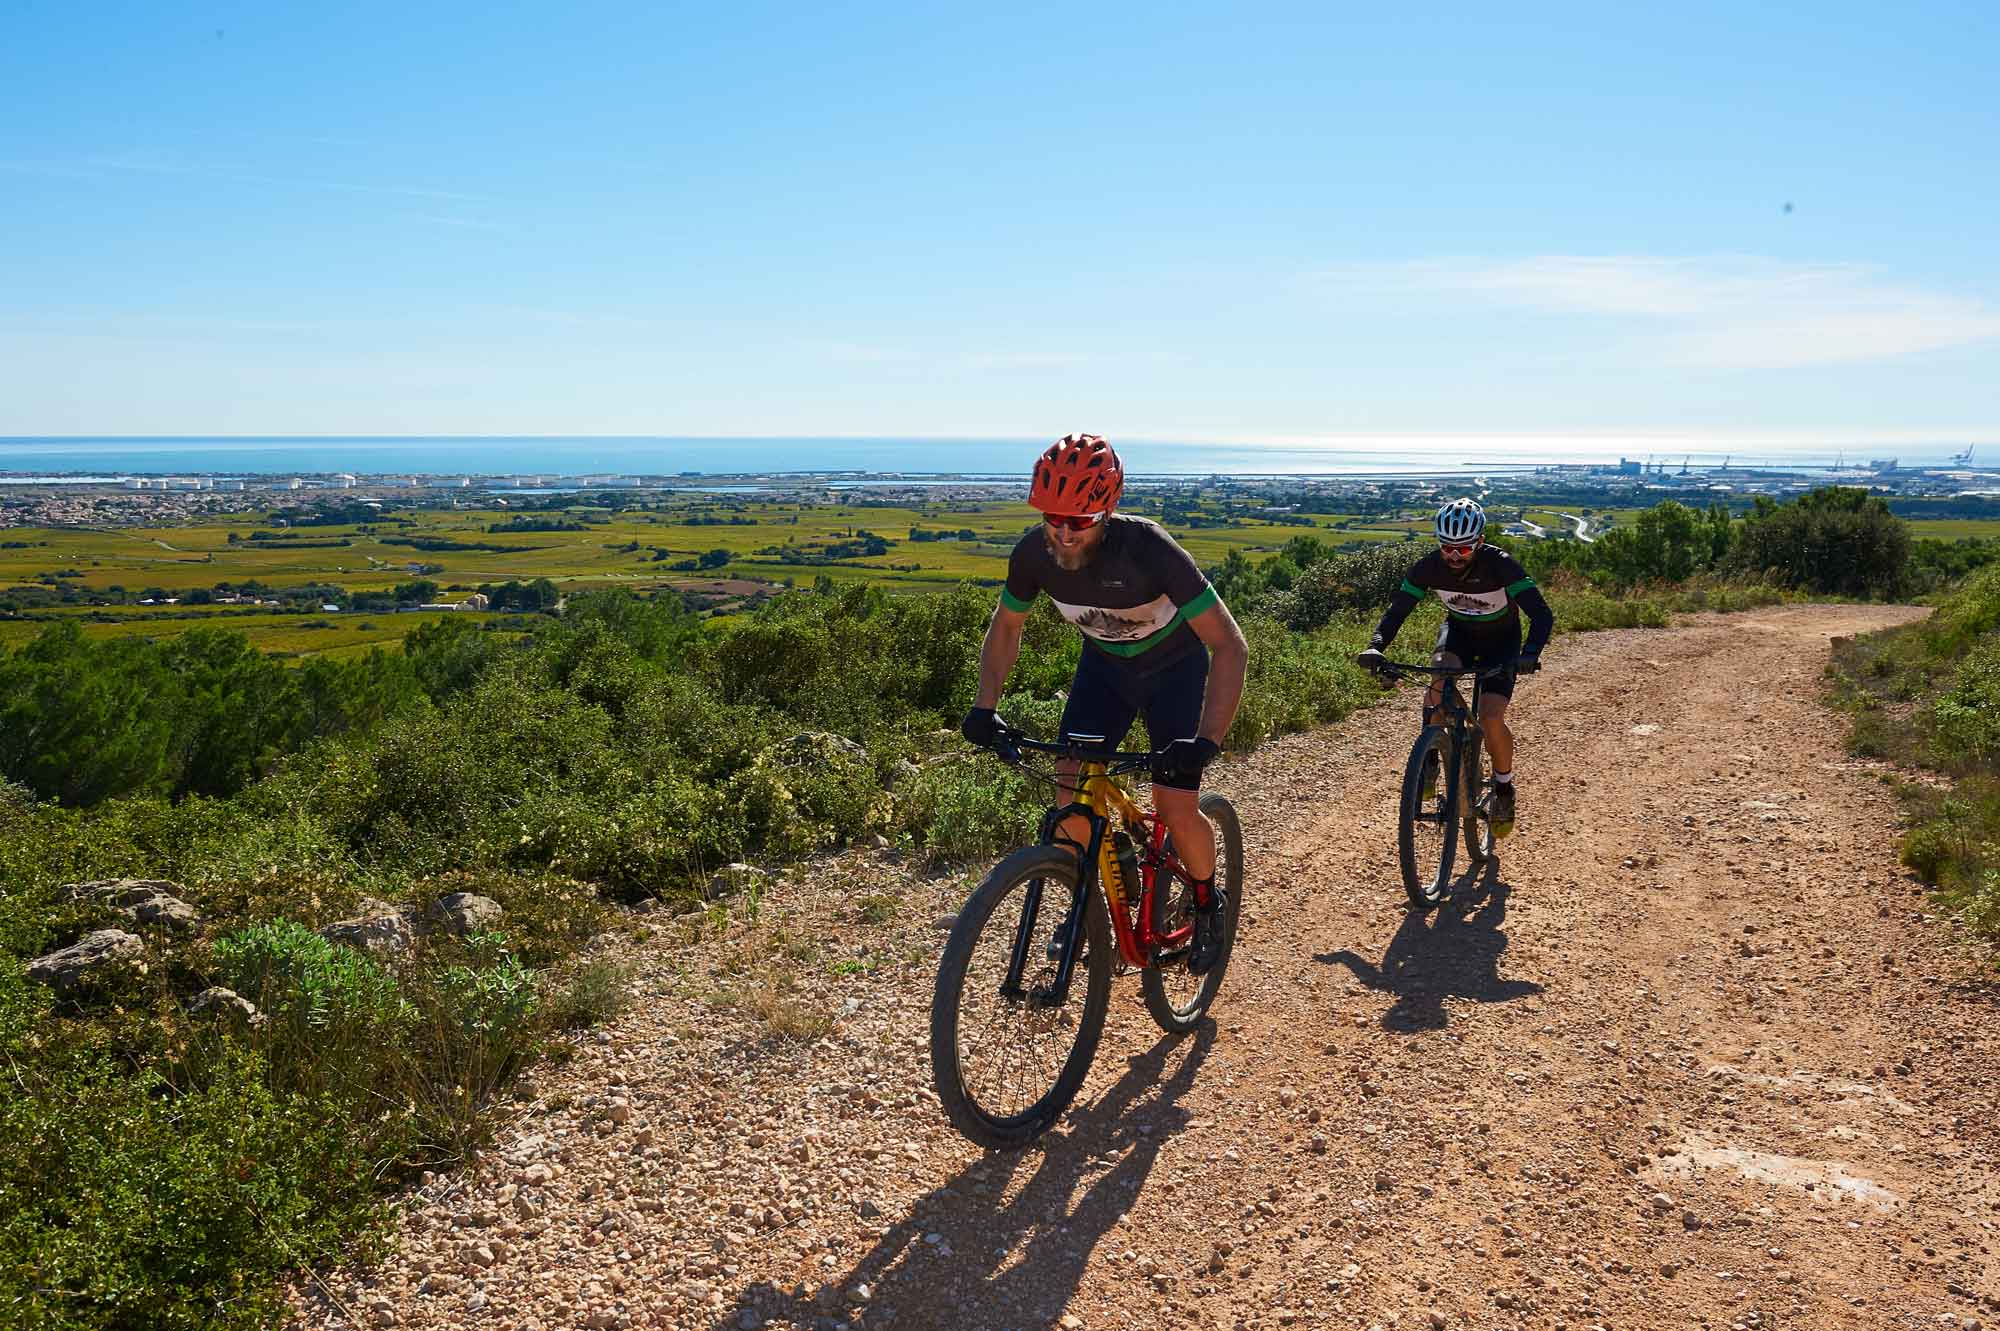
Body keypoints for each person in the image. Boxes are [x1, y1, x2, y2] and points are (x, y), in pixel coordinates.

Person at [961, 434, 1249, 973]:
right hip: (1107, 672)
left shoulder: (1150, 550)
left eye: (1081, 519)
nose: (1064, 533)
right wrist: (984, 706)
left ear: (1108, 508)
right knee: (1070, 794)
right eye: (1053, 517)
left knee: (1175, 804)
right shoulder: (1032, 554)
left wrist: (1206, 742)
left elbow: (1229, 644)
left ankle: (1209, 902)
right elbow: (1006, 626)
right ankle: (1089, 898)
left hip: (1175, 672)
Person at [1355, 497, 1554, 836]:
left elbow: (1541, 614)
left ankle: (1504, 788)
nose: (1454, 557)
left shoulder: (1501, 565)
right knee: (1437, 680)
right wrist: (1375, 646)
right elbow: (1397, 612)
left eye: (1464, 549)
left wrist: (1530, 652)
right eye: (1447, 548)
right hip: (1459, 635)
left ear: (1479, 541)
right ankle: (1430, 759)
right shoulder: (1427, 568)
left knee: (1491, 716)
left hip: (1501, 643)